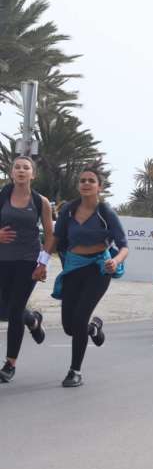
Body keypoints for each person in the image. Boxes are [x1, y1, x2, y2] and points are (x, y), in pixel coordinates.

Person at [50, 165, 129, 388]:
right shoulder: (68, 210)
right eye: (82, 180)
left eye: (91, 181)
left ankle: (75, 371)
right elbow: (57, 240)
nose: (86, 184)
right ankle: (93, 328)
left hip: (98, 269)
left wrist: (116, 261)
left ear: (99, 187)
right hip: (74, 268)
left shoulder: (106, 213)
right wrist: (41, 262)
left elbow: (124, 246)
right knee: (68, 326)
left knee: (80, 318)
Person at [0, 155, 53, 383]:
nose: (21, 171)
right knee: (5, 308)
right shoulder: (2, 195)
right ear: (12, 173)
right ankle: (32, 320)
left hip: (28, 260)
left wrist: (43, 263)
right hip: (2, 259)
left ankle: (10, 363)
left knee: (14, 311)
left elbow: (51, 236)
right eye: (17, 167)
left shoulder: (40, 201)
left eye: (26, 168)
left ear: (33, 174)